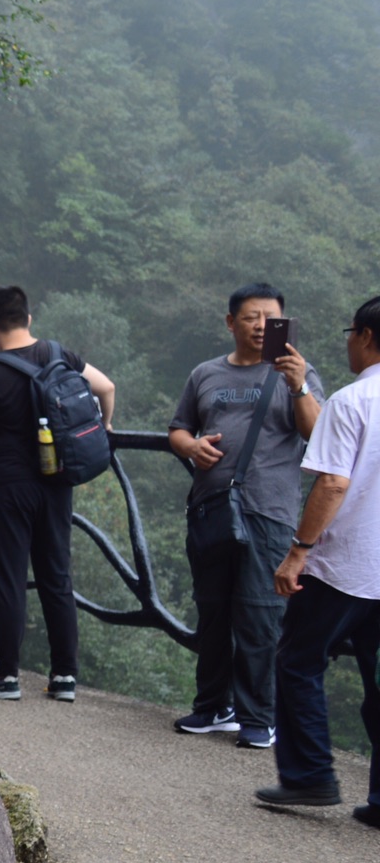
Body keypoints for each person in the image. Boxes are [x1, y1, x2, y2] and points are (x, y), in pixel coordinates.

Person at [167, 283, 325, 749]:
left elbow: (318, 435)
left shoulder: (298, 373)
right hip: (212, 509)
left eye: (270, 319)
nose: (260, 326)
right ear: (230, 321)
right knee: (213, 609)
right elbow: (178, 428)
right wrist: (191, 446)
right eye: (252, 317)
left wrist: (297, 385)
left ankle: (259, 717)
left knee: (259, 615)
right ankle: (213, 707)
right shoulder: (205, 374)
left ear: (282, 324)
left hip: (269, 514)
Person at [252, 295, 380, 822]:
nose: (347, 340)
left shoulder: (353, 402)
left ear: (368, 337)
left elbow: (332, 483)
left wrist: (297, 553)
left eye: (351, 331)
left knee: (299, 660)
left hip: (347, 565)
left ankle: (309, 776)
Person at [0, 286, 116, 702]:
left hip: (8, 487)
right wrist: (107, 427)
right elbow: (107, 388)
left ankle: (6, 676)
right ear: (29, 320)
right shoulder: (59, 355)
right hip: (57, 482)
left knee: (7, 581)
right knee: (57, 577)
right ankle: (65, 676)